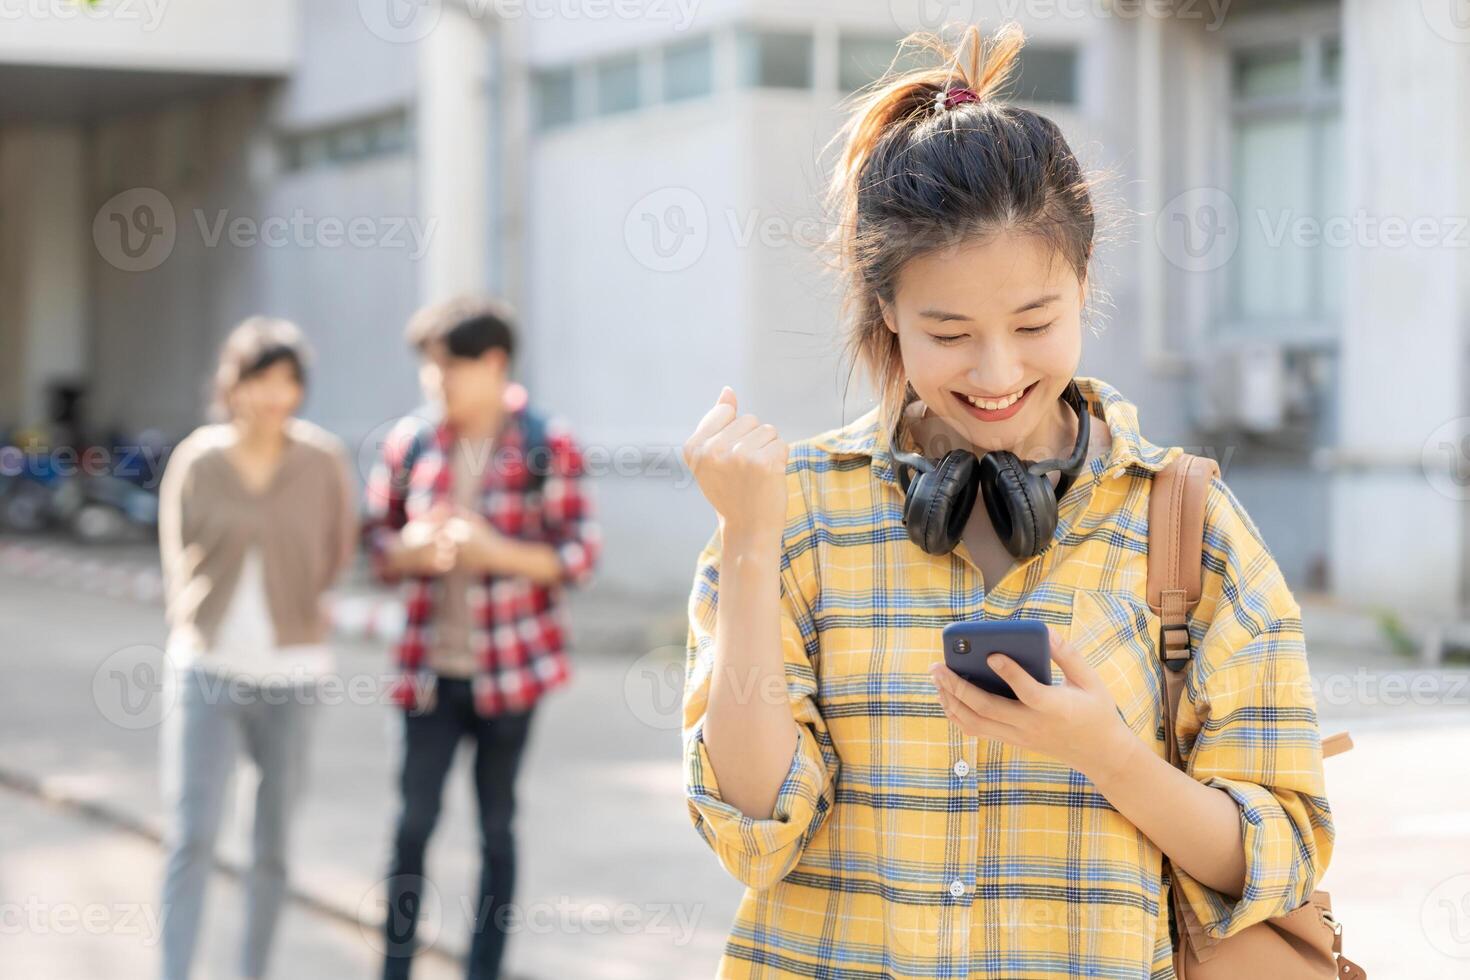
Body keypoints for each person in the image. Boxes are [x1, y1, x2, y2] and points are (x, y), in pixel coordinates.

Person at [679, 24, 1333, 979]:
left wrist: (1109, 755)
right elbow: (753, 835)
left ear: (1084, 287)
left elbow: (1283, 853)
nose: (995, 373)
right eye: (948, 333)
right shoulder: (794, 517)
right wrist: (747, 543)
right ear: (887, 314)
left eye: (1035, 324)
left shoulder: (1189, 525)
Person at [365, 296, 601, 980]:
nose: (436, 385)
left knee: (496, 831)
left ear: (494, 364)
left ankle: (484, 970)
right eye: (430, 371)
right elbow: (376, 545)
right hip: (426, 672)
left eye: (449, 370)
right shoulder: (410, 442)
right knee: (412, 826)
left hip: (511, 675)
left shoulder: (544, 443)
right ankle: (394, 968)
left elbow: (581, 555)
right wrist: (413, 548)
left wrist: (495, 550)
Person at [157, 317, 358, 980]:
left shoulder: (322, 460)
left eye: (287, 381)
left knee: (272, 846)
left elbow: (338, 549)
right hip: (208, 667)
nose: (274, 395)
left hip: (294, 674)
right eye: (260, 379)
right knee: (192, 836)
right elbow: (174, 555)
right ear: (233, 385)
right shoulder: (199, 459)